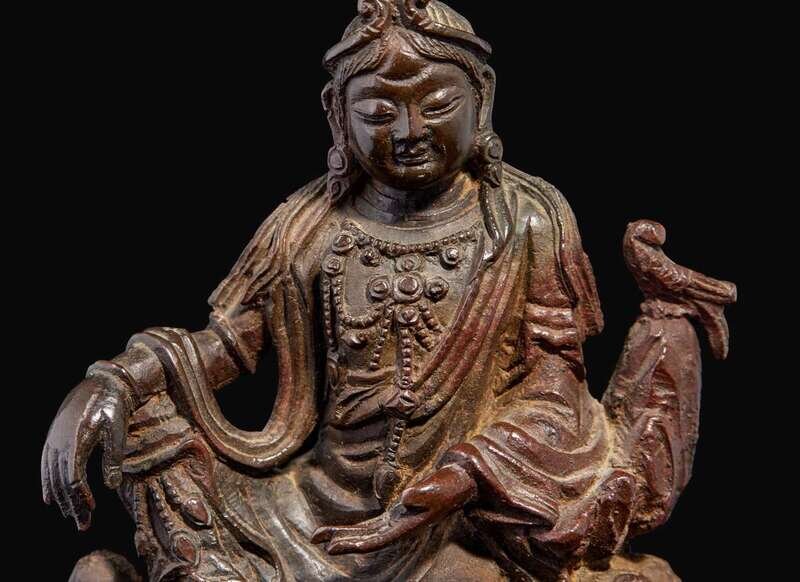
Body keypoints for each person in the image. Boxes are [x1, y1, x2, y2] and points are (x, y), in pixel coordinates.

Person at [42, 2, 736, 580]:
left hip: (458, 515)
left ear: (483, 100)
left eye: (437, 104)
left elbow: (554, 385)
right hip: (312, 509)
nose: (408, 132)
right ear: (337, 115)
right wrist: (113, 381)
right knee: (143, 420)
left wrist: (464, 475)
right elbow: (227, 344)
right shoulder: (308, 223)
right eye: (377, 111)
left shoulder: (527, 218)